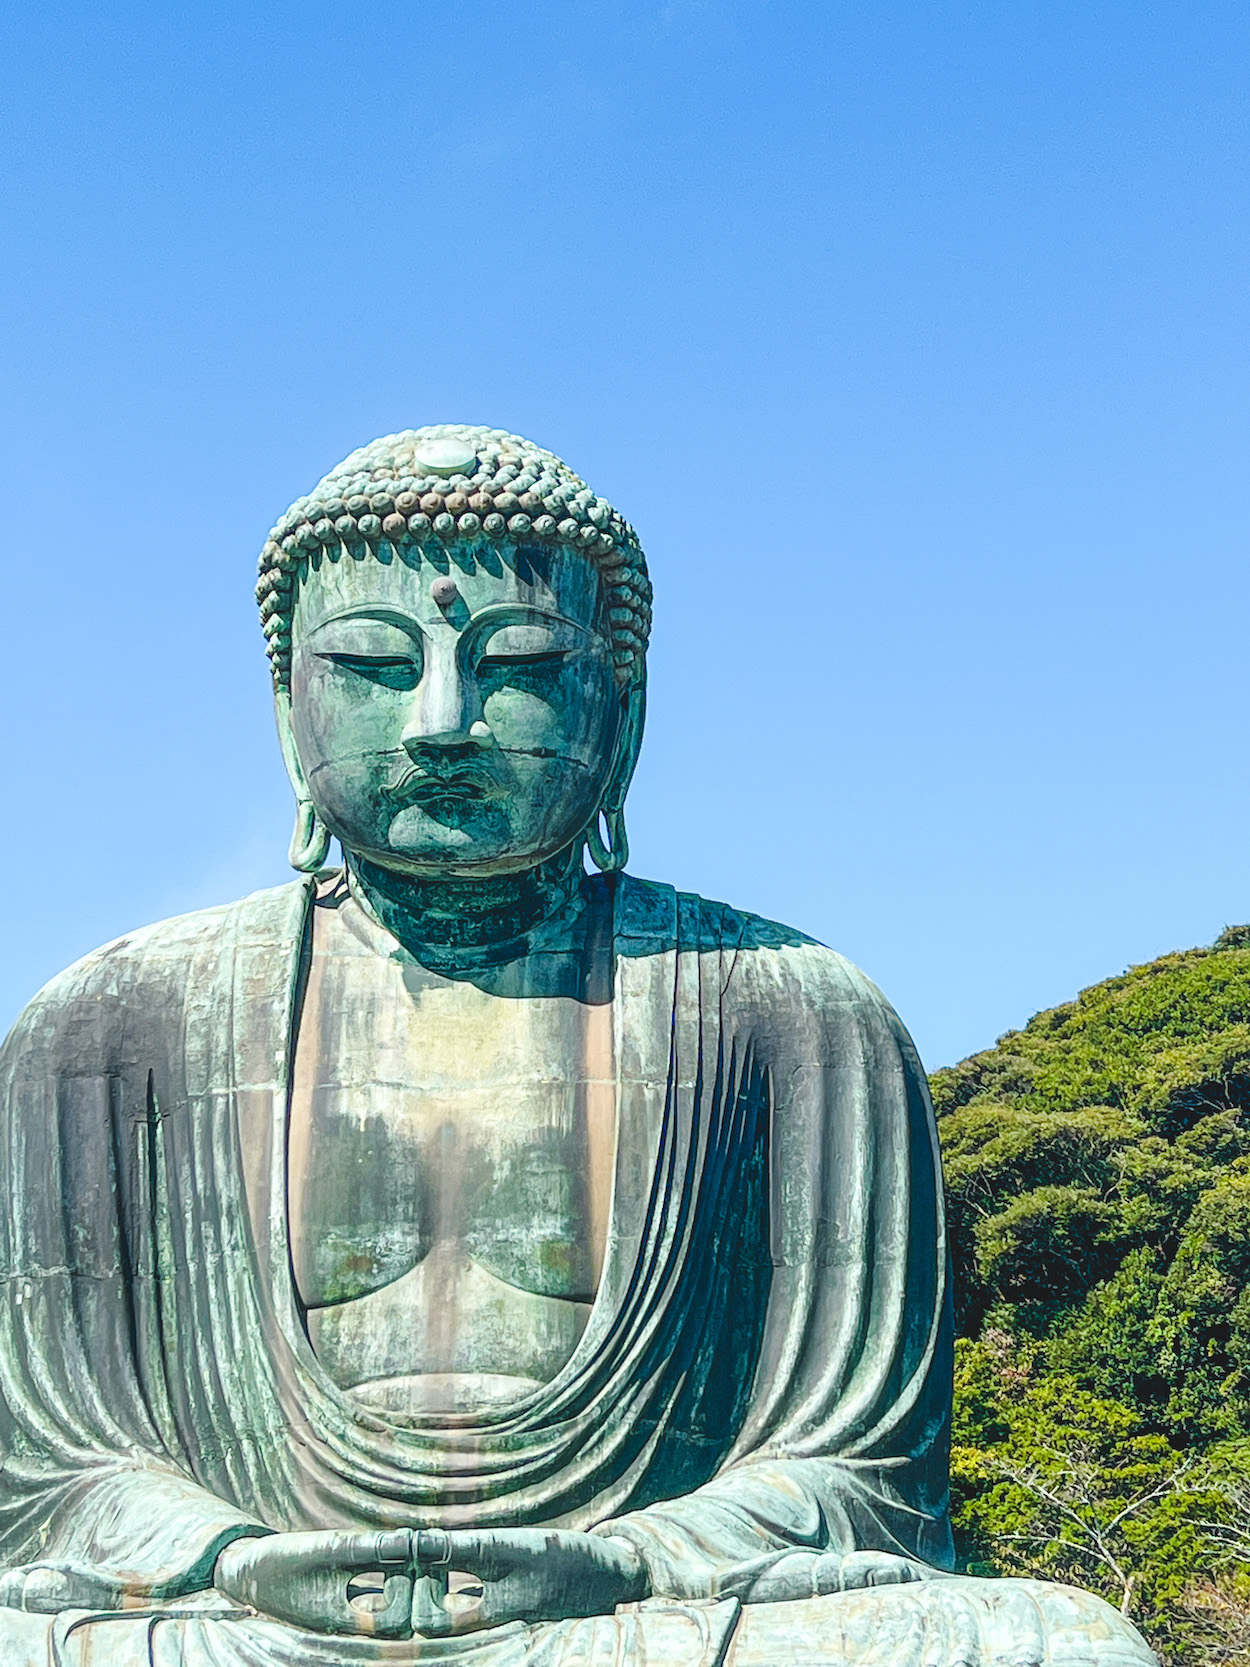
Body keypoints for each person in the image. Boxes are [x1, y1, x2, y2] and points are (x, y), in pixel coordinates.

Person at [0, 427, 1156, 1664]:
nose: (442, 723)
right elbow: (52, 1475)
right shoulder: (107, 1025)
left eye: (522, 663)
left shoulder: (797, 1012)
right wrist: (230, 1557)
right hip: (239, 1618)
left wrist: (627, 1557)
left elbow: (858, 1475)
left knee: (1057, 1645)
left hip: (633, 1615)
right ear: (289, 712)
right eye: (374, 665)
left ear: (625, 705)